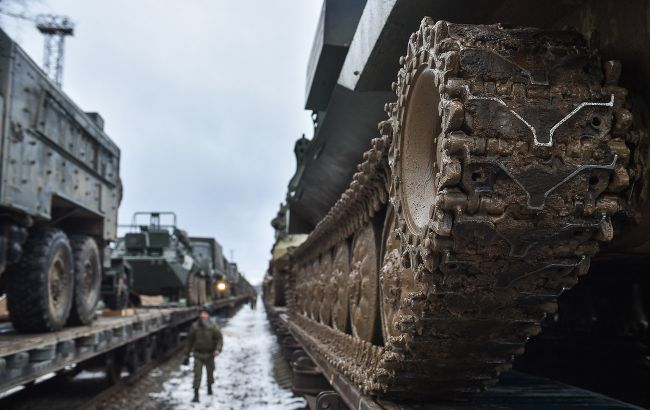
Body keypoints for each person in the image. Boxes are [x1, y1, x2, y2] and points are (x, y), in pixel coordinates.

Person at [185, 308, 223, 403]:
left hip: (210, 354)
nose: (203, 316)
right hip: (198, 354)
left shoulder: (213, 327)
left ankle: (209, 387)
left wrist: (217, 349)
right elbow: (190, 341)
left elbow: (219, 339)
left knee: (210, 373)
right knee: (197, 375)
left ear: (208, 315)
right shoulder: (195, 327)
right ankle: (196, 394)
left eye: (205, 314)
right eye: (202, 314)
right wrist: (187, 354)